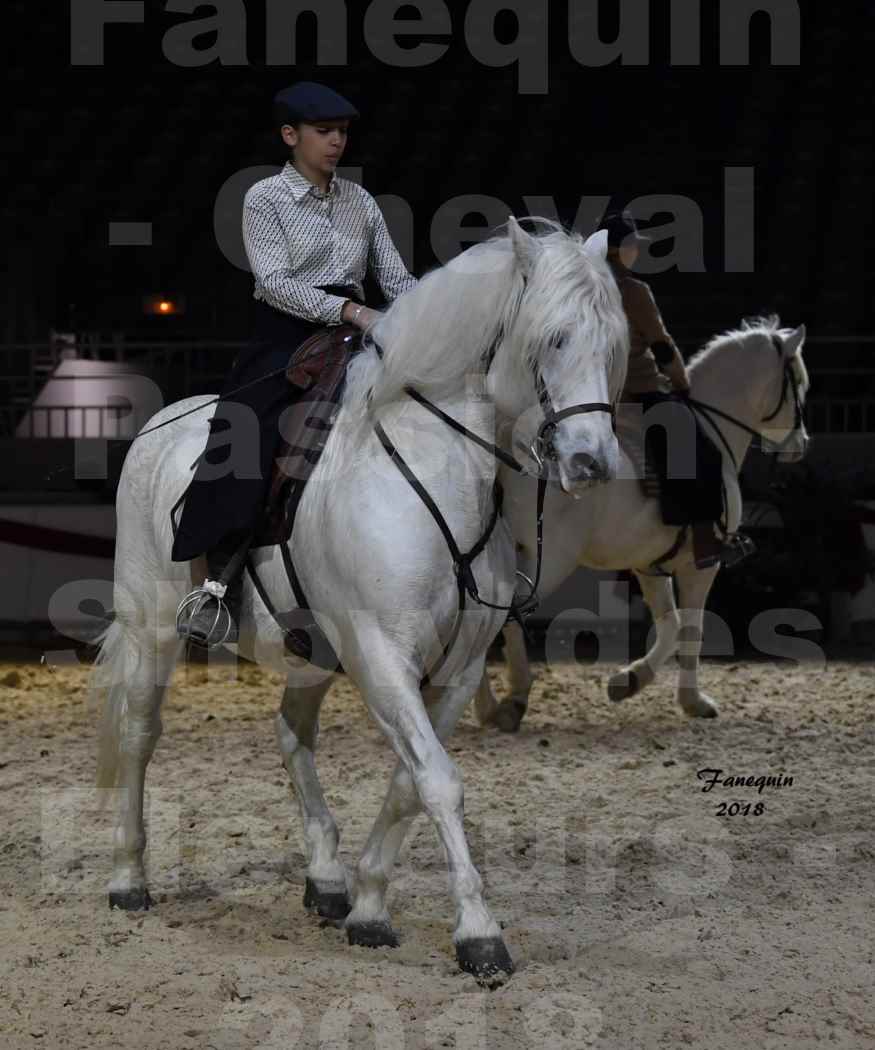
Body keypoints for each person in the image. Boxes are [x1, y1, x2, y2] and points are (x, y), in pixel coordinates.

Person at [173, 81, 418, 646]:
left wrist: (431, 308)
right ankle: (217, 585)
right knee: (244, 432)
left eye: (342, 133)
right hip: (289, 334)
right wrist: (352, 310)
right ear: (291, 136)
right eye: (323, 132)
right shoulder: (264, 198)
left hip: (363, 329)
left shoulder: (362, 202)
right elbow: (275, 283)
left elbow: (396, 278)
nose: (336, 143)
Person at [598, 210, 726, 569]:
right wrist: (682, 382)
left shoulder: (584, 288)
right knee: (702, 449)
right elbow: (661, 343)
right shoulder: (634, 291)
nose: (637, 253)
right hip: (637, 391)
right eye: (633, 247)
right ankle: (703, 538)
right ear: (620, 250)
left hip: (593, 392)